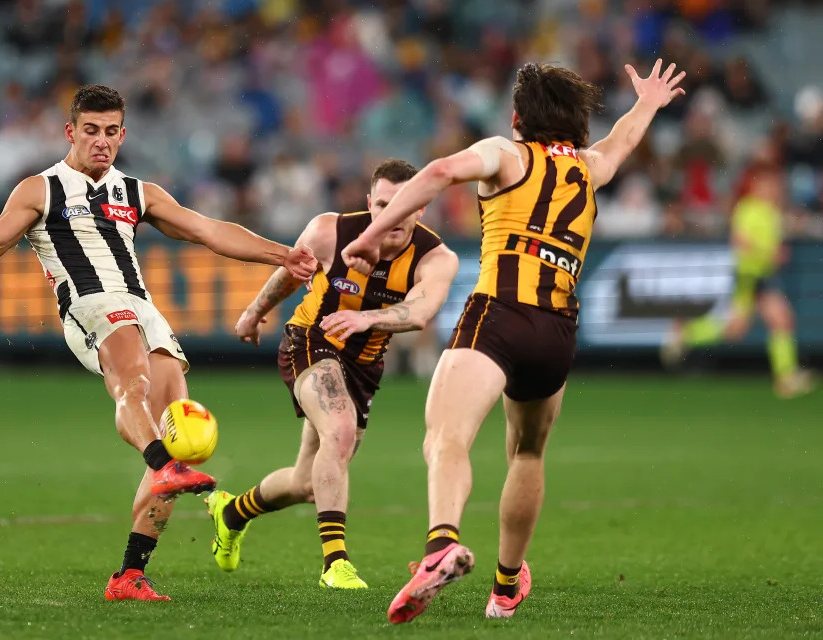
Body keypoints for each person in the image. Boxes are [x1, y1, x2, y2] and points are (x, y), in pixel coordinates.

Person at [0, 85, 317, 601]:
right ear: (70, 132)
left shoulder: (137, 192)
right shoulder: (41, 189)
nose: (101, 141)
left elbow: (208, 229)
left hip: (143, 309)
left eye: (110, 132)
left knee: (176, 420)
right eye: (90, 131)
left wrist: (282, 254)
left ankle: (130, 573)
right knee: (137, 388)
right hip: (90, 307)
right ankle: (161, 465)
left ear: (123, 135)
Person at [341, 60, 687, 622]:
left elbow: (434, 174)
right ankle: (506, 587)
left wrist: (374, 233)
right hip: (557, 329)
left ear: (518, 115)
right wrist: (647, 102)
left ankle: (440, 546)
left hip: (499, 313)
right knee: (527, 452)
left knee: (446, 437)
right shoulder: (589, 168)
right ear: (575, 122)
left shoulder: (506, 153)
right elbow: (620, 142)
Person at [204, 159, 459, 589]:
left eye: (402, 205)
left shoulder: (436, 257)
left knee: (308, 483)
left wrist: (366, 320)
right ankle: (335, 564)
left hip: (363, 366)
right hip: (310, 340)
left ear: (421, 207)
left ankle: (231, 513)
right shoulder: (329, 231)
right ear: (369, 203)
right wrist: (254, 312)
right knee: (339, 432)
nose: (390, 216)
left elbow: (422, 311)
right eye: (382, 204)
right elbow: (291, 272)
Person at [661, 166, 814, 398]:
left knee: (745, 327)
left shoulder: (771, 212)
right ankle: (786, 377)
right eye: (768, 184)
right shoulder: (748, 208)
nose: (773, 189)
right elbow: (740, 241)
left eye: (775, 185)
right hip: (749, 274)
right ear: (756, 186)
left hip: (764, 274)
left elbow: (774, 241)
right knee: (774, 321)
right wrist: (769, 253)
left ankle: (687, 333)